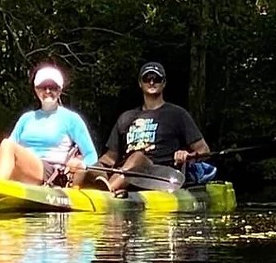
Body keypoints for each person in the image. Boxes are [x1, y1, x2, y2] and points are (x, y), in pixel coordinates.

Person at [0, 64, 98, 185]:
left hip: (49, 172)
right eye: (43, 87)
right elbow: (8, 146)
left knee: (8, 145)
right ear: (36, 90)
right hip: (20, 167)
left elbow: (91, 155)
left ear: (60, 91)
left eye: (53, 88)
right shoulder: (26, 118)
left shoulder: (71, 119)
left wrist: (81, 164)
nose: (48, 91)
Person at [88, 62, 212, 192]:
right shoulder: (126, 117)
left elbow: (204, 150)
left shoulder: (177, 114)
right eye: (147, 79)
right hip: (124, 173)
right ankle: (82, 192)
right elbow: (110, 157)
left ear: (163, 83)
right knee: (90, 166)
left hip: (159, 175)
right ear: (140, 83)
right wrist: (91, 166)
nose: (152, 82)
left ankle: (108, 192)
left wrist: (188, 155)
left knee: (138, 157)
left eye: (156, 79)